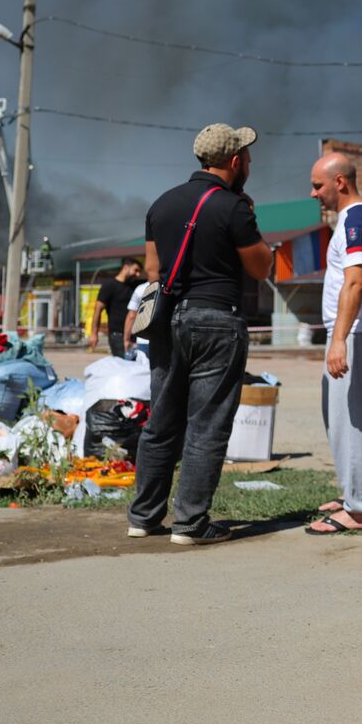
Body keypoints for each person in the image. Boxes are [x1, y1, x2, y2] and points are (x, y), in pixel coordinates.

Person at [126, 123, 272, 546]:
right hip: (217, 322)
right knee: (206, 426)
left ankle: (144, 517)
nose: (249, 162)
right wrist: (251, 220)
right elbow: (261, 268)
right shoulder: (234, 207)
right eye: (246, 156)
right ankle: (190, 523)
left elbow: (153, 271)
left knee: (162, 422)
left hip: (168, 322)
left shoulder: (162, 204)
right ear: (233, 162)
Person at [306, 151, 362, 534]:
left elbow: (356, 281)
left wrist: (339, 339)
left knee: (353, 421)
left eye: (318, 185)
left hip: (356, 333)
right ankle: (350, 494)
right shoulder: (352, 220)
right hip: (352, 332)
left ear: (340, 182)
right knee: (338, 420)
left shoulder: (356, 221)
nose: (313, 194)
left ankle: (358, 511)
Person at [89, 257, 143, 356]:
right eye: (136, 270)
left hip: (134, 334)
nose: (138, 274)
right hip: (117, 335)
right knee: (123, 366)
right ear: (126, 267)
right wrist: (94, 334)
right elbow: (98, 309)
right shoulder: (109, 285)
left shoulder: (135, 286)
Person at [123, 277, 154, 359]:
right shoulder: (169, 286)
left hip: (143, 339)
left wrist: (126, 340)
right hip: (164, 340)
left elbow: (131, 316)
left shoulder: (140, 289)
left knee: (143, 370)